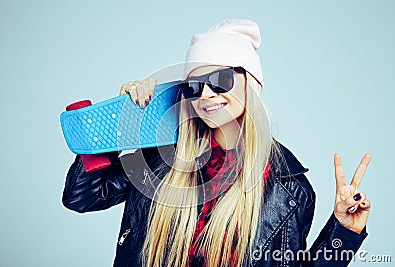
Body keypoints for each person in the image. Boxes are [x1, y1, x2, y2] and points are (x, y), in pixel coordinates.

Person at [62, 19, 371, 267]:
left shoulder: (290, 191)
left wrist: (344, 233)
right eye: (195, 85)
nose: (206, 95)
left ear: (250, 83)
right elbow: (83, 198)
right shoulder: (159, 160)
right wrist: (118, 124)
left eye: (220, 80)